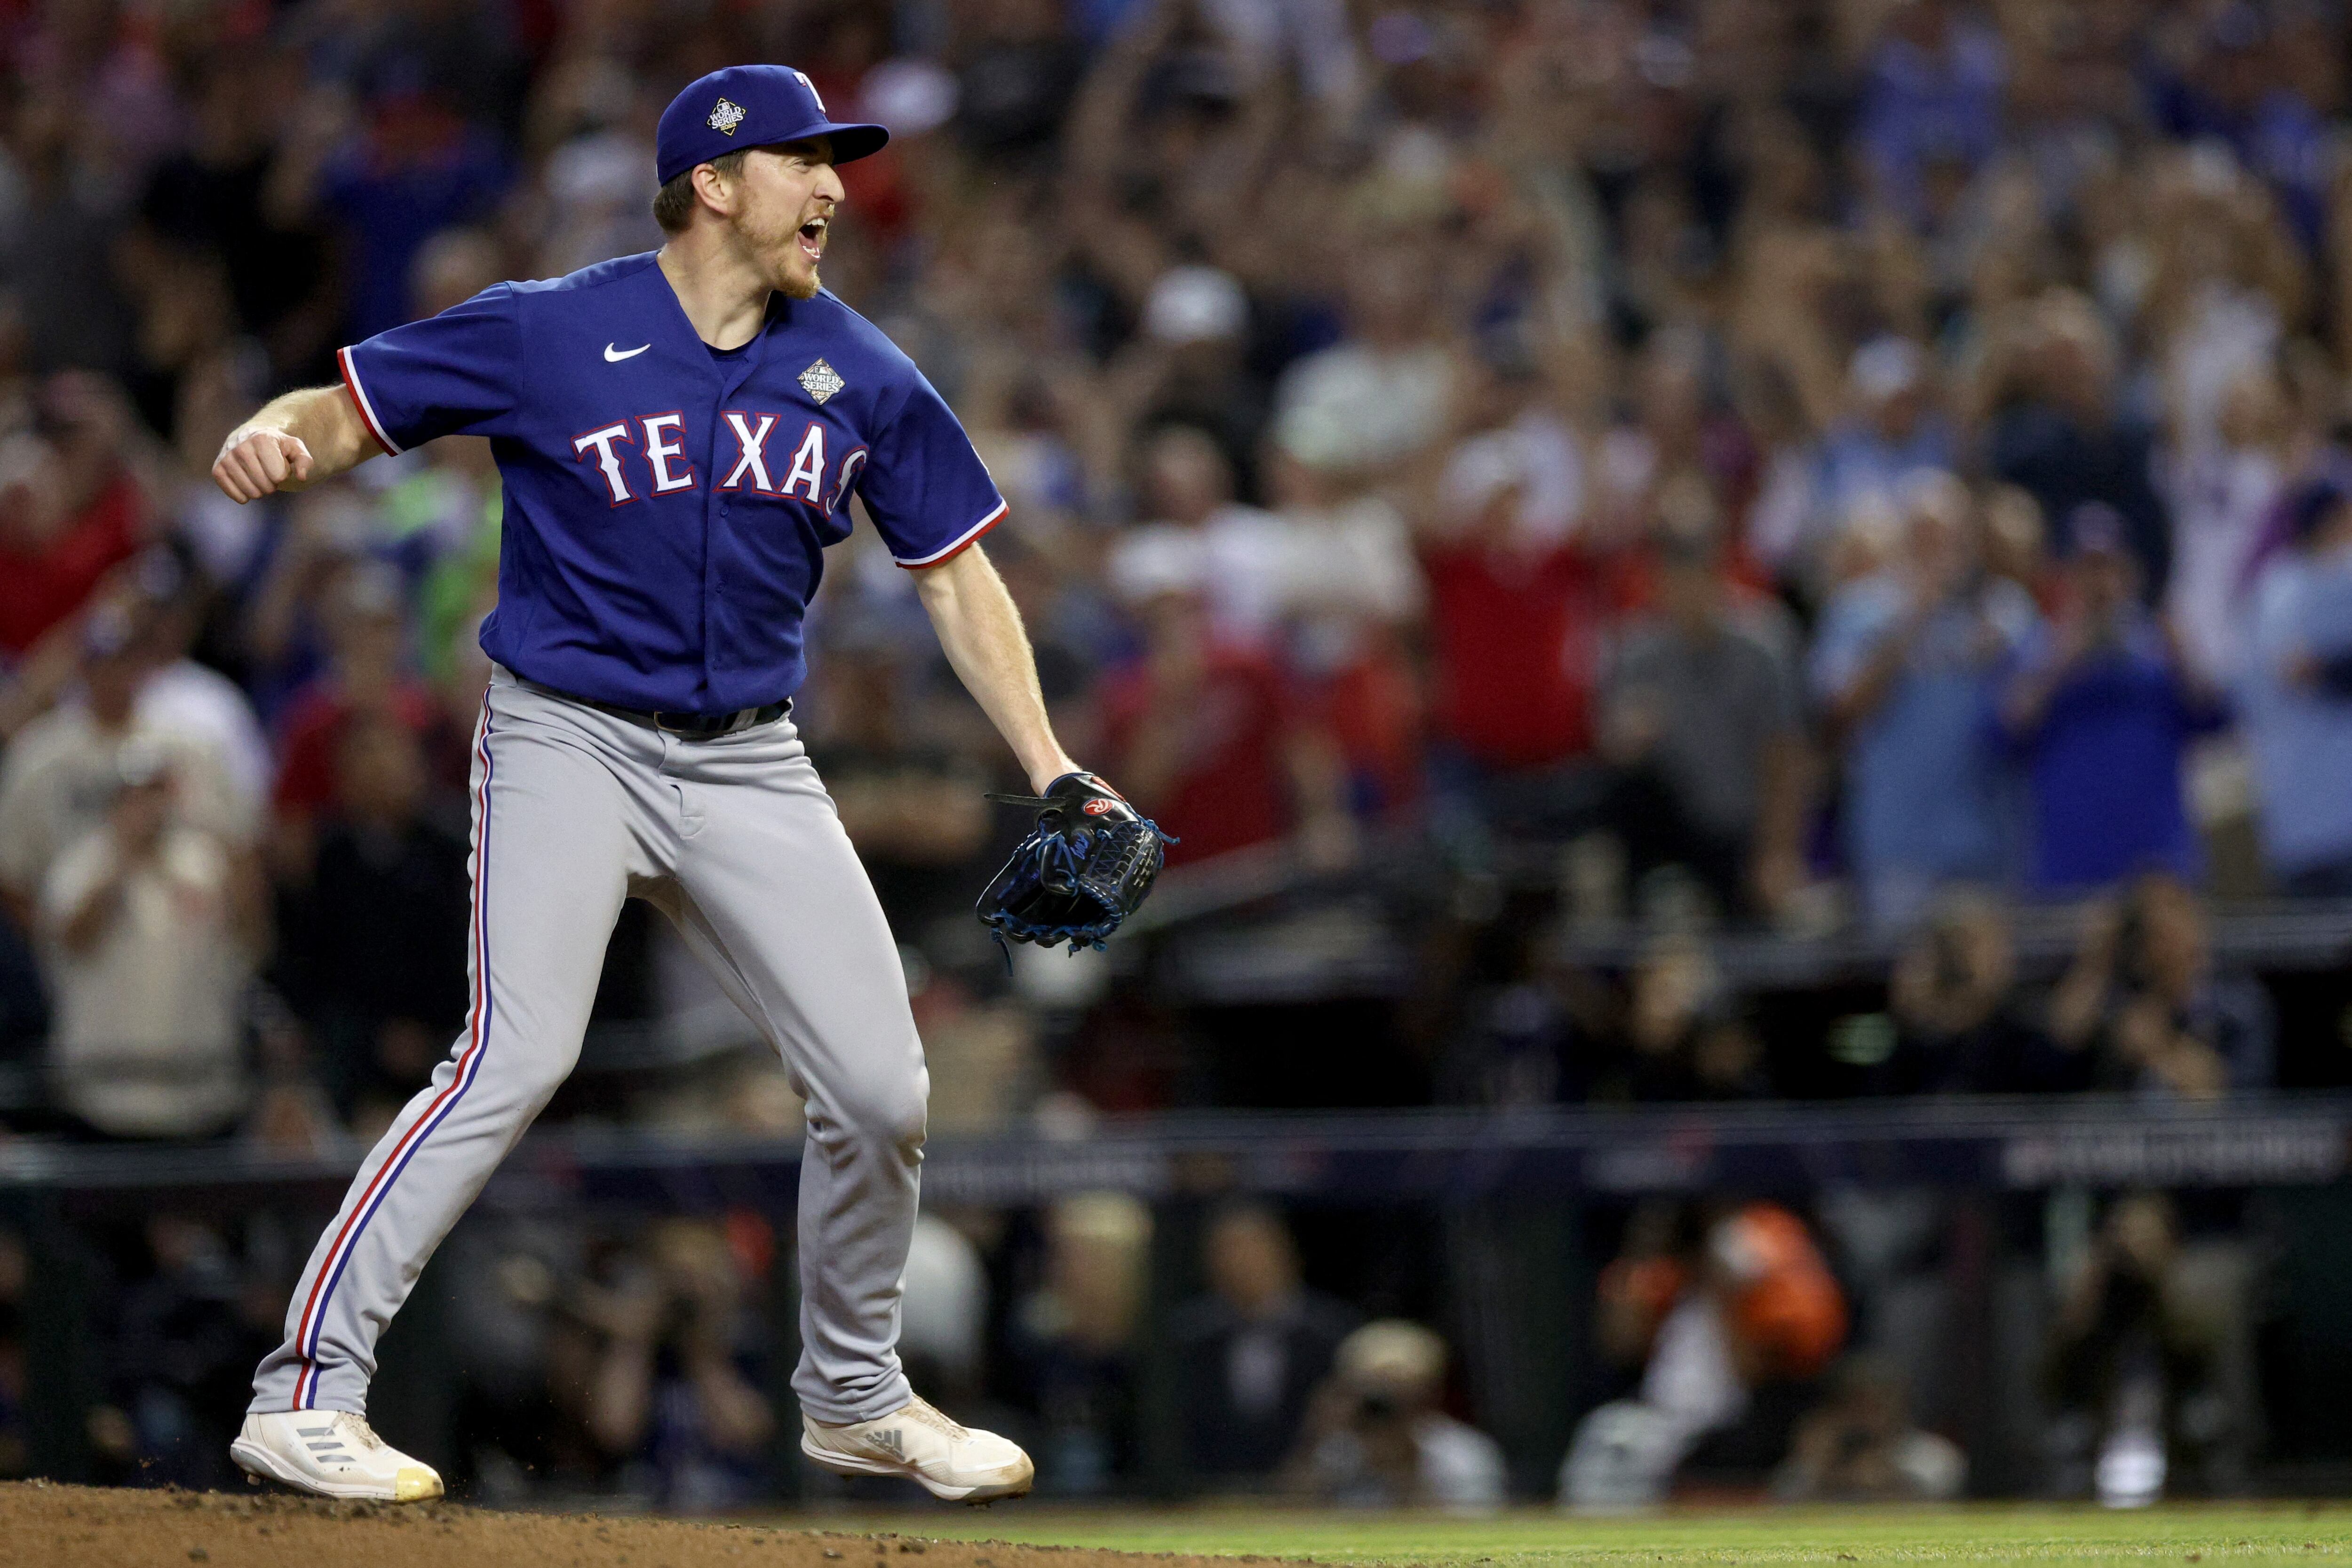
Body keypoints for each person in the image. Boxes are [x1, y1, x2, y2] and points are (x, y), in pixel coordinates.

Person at [206, 65, 1100, 1504]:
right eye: (805, 161)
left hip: (750, 754)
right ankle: (306, 1389)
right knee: (515, 1056)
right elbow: (352, 406)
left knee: (880, 1087)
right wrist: (279, 436)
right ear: (715, 183)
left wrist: (1048, 761)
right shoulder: (553, 326)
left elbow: (953, 571)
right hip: (568, 737)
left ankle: (854, 1391)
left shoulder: (860, 366)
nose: (834, 187)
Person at [1171, 1202, 1358, 1485]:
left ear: (1285, 1253)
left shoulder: (1335, 1334)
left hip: (1312, 1495)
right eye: (1226, 1252)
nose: (1239, 1264)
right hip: (1210, 1495)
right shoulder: (1186, 1338)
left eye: (1251, 1249)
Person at [1284, 1320, 1505, 1512]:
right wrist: (1318, 1434)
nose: (1387, 1400)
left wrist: (1407, 1465)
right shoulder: (1338, 1450)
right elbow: (1287, 1514)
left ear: (1428, 1394)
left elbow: (1475, 1529)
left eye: (1400, 1388)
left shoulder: (1462, 1454)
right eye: (1374, 1387)